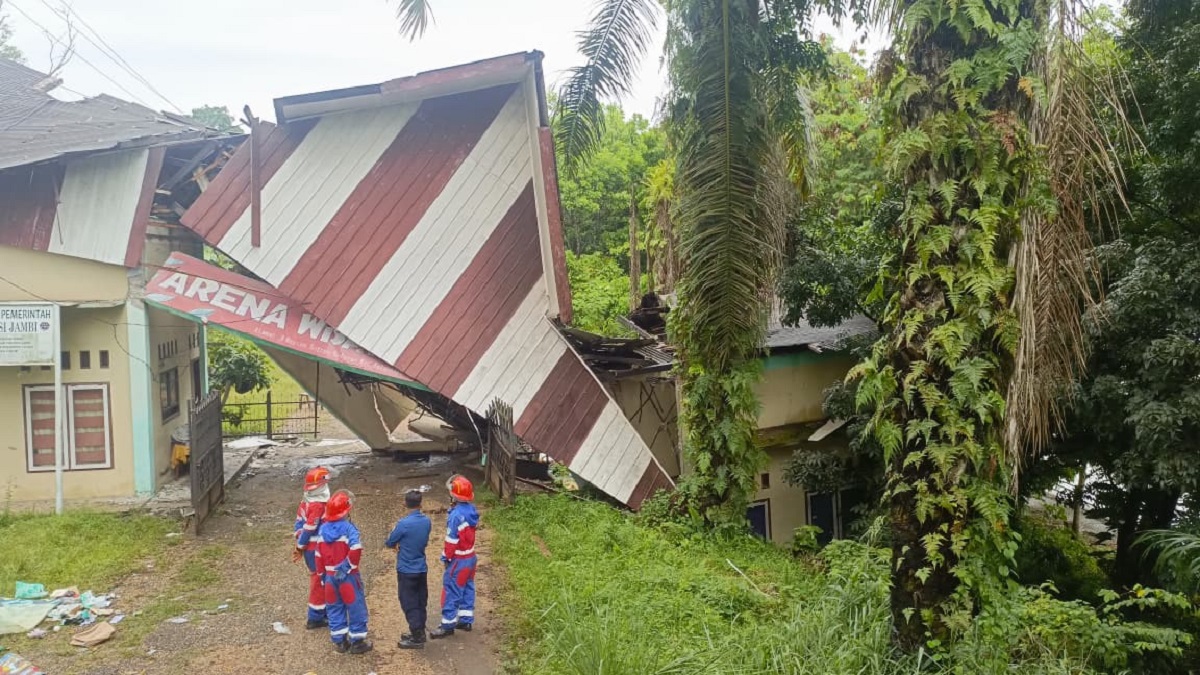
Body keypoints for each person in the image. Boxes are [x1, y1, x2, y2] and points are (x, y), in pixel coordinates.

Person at [315, 489, 372, 654]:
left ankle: (340, 642)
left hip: (330, 577)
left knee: (334, 608)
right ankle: (358, 642)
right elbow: (356, 548)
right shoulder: (349, 529)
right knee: (356, 608)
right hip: (348, 577)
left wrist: (322, 576)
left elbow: (318, 555)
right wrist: (346, 566)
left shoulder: (323, 530)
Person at [431, 474, 479, 639]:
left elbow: (451, 542)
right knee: (468, 587)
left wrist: (445, 557)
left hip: (458, 560)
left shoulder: (455, 516)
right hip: (471, 557)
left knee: (451, 589)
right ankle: (466, 619)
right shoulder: (472, 510)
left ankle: (447, 625)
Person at [385, 490, 432, 649]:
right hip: (421, 568)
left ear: (404, 504)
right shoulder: (427, 521)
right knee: (420, 600)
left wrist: (398, 544)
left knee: (409, 602)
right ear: (421, 504)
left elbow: (390, 541)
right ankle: (418, 631)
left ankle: (417, 636)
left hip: (406, 569)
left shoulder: (403, 524)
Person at [292, 466, 330, 629]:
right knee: (319, 581)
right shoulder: (317, 505)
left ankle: (322, 611)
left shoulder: (305, 502)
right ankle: (315, 617)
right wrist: (300, 547)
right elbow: (309, 528)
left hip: (310, 548)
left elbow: (298, 525)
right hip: (316, 549)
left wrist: (300, 543)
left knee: (320, 580)